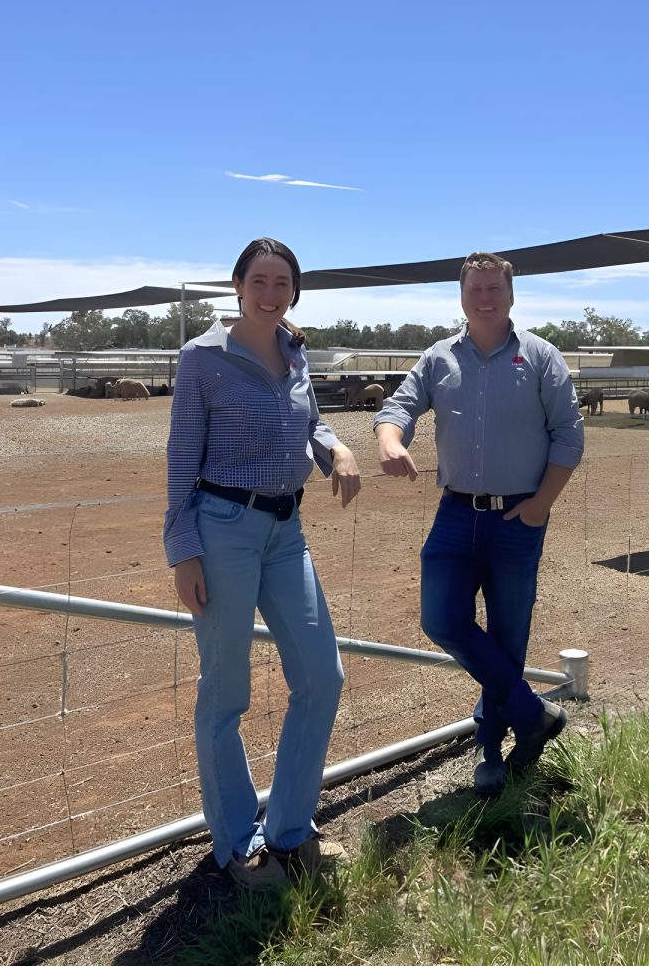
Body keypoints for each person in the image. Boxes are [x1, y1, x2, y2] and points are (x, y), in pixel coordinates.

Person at [164, 237, 361, 889]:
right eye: (260, 281)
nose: (270, 293)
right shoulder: (202, 359)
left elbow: (311, 423)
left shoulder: (295, 351)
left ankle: (289, 831)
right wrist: (183, 549)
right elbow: (180, 460)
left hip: (286, 529)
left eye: (282, 282)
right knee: (226, 692)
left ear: (294, 290)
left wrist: (337, 450)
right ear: (238, 285)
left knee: (321, 676)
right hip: (222, 531)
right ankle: (236, 845)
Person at [374, 252, 583, 797]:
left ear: (511, 295)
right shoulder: (439, 358)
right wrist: (390, 440)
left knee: (508, 637)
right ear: (462, 295)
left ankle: (493, 751)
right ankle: (534, 714)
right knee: (441, 620)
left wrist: (541, 505)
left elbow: (569, 437)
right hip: (455, 514)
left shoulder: (541, 358)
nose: (485, 298)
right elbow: (397, 407)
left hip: (519, 516)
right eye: (476, 289)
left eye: (495, 288)